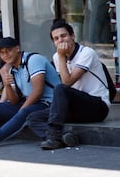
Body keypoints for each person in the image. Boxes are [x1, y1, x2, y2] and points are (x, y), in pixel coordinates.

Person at [27, 19, 111, 149]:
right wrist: (60, 56)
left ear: (72, 36)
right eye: (56, 38)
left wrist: (61, 56)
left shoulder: (86, 53)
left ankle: (54, 137)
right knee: (33, 118)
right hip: (77, 107)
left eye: (63, 36)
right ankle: (66, 137)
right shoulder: (57, 57)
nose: (60, 40)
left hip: (98, 106)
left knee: (60, 88)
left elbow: (67, 82)